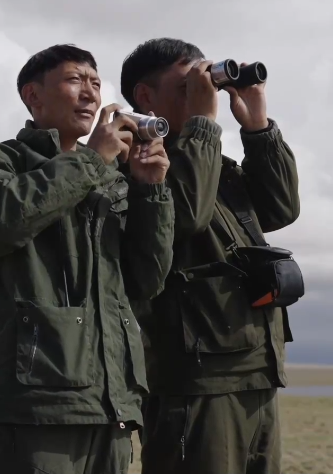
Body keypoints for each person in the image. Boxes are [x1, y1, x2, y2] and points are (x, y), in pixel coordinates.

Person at [0, 44, 176, 474]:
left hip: (112, 404)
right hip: (36, 405)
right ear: (33, 95)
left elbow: (147, 280)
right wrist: (91, 159)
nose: (90, 93)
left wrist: (151, 190)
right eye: (75, 80)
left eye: (95, 83)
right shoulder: (1, 160)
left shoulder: (113, 178)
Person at [119, 38, 301, 474]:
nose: (204, 94)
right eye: (187, 86)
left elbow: (280, 208)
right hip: (195, 380)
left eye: (205, 84)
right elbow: (185, 219)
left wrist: (257, 127)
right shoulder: (135, 162)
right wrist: (202, 125)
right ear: (145, 96)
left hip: (254, 368)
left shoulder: (209, 161)